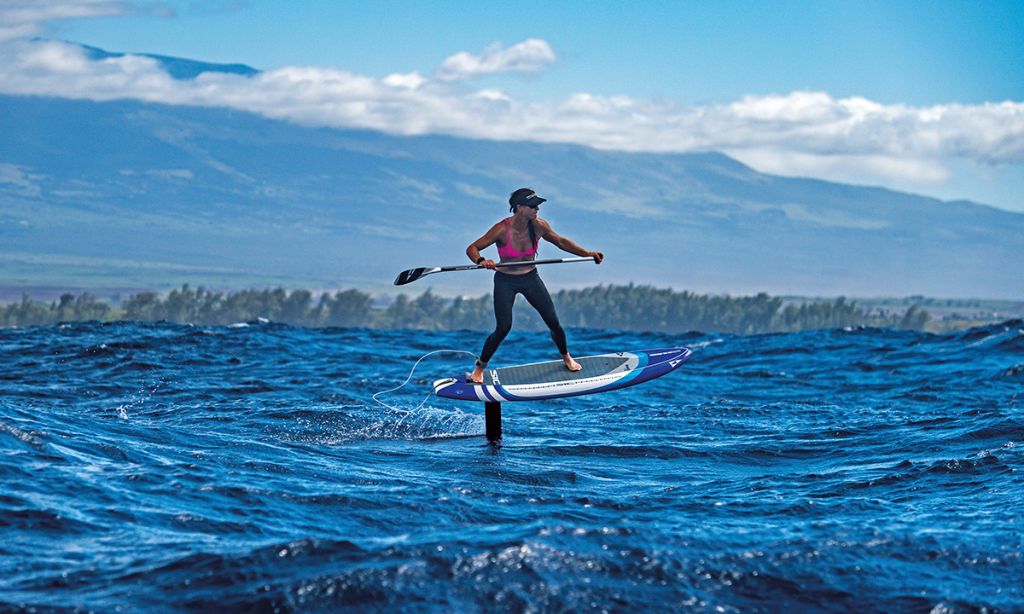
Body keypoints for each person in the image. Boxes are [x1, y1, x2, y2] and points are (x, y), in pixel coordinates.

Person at [466, 188, 604, 384]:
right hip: (505, 281)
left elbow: (561, 242)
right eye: (532, 206)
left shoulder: (539, 226)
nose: (537, 209)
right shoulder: (501, 230)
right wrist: (481, 260)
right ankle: (480, 368)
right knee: (503, 327)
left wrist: (588, 253)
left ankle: (566, 357)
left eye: (538, 205)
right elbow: (472, 248)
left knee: (553, 322)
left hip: (530, 278)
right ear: (518, 208)